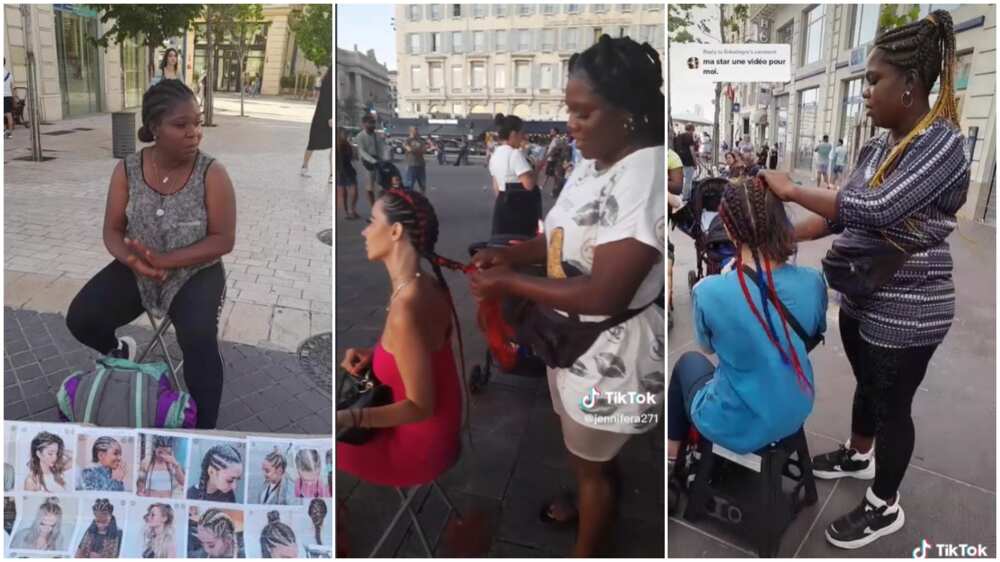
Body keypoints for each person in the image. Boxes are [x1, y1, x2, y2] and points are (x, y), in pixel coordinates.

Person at [758, 10, 969, 550]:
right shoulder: (879, 144)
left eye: (874, 80)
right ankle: (858, 454)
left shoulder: (940, 143)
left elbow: (874, 207)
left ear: (911, 86)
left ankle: (884, 504)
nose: (865, 92)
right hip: (862, 295)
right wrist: (785, 238)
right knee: (869, 387)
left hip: (911, 309)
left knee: (893, 403)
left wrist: (791, 190)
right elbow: (843, 213)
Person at [469, 35, 664, 557]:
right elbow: (559, 234)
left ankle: (591, 533)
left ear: (628, 113)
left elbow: (605, 291)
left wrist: (509, 282)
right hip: (570, 344)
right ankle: (589, 485)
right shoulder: (594, 159)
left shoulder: (645, 173)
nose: (571, 125)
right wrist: (512, 255)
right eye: (569, 111)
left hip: (612, 360)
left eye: (583, 113)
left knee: (594, 455)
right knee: (586, 449)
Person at [65, 80, 235, 430]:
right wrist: (133, 261)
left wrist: (165, 261)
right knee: (81, 318)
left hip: (195, 273)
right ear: (155, 127)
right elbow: (112, 230)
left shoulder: (212, 173)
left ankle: (204, 434)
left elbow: (223, 240)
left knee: (198, 340)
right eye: (181, 124)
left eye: (198, 123)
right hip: (138, 268)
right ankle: (118, 351)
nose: (194, 133)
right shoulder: (127, 169)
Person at [667, 178, 827, 510]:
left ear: (727, 226)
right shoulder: (813, 282)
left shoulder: (710, 291)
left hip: (735, 419)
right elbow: (811, 332)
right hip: (794, 409)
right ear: (782, 222)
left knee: (688, 365)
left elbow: (709, 348)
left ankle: (670, 460)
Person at [336, 189, 465, 489]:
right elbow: (420, 349)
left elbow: (420, 407)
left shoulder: (406, 307)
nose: (365, 230)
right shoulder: (425, 284)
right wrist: (378, 353)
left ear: (395, 231)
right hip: (441, 427)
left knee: (318, 446)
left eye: (371, 221)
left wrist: (348, 419)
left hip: (416, 447)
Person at [487, 114, 542, 237]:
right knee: (521, 243)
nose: (524, 137)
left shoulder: (495, 154)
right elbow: (528, 185)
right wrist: (537, 169)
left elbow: (495, 186)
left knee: (503, 242)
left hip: (501, 204)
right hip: (519, 205)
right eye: (522, 133)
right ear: (513, 134)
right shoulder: (515, 154)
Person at [301, 69, 332, 183]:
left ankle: (332, 174)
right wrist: (329, 117)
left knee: (333, 146)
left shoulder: (328, 78)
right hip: (323, 116)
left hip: (328, 115)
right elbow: (323, 100)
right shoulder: (328, 80)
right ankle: (304, 166)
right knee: (313, 142)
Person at [354, 114, 385, 209]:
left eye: (373, 123)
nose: (372, 125)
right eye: (370, 123)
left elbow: (380, 148)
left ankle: (379, 207)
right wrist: (373, 161)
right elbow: (362, 151)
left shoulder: (376, 135)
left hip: (378, 161)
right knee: (369, 187)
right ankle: (373, 208)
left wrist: (381, 160)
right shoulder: (360, 136)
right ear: (364, 124)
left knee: (381, 186)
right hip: (367, 163)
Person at [336, 127, 360, 219]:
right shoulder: (342, 145)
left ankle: (348, 211)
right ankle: (350, 211)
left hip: (341, 169)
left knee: (345, 192)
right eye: (345, 134)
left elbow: (353, 157)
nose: (346, 135)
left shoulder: (344, 144)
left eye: (347, 134)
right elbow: (352, 157)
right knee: (351, 190)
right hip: (345, 169)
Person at [673, 124, 697, 201]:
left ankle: (682, 195)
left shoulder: (678, 136)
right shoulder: (689, 136)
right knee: (688, 180)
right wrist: (695, 163)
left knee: (683, 179)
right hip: (689, 161)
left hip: (679, 161)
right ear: (692, 129)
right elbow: (692, 151)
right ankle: (686, 197)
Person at [403, 126, 428, 193]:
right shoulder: (407, 140)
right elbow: (409, 149)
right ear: (410, 132)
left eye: (416, 131)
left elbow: (424, 150)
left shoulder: (420, 141)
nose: (416, 132)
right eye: (414, 131)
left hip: (421, 164)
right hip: (411, 165)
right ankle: (409, 201)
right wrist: (418, 150)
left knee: (422, 185)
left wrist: (415, 150)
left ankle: (422, 200)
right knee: (409, 185)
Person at [4, 58, 13, 139]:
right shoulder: (9, 74)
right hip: (8, 96)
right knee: (9, 115)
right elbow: (12, 87)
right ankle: (9, 133)